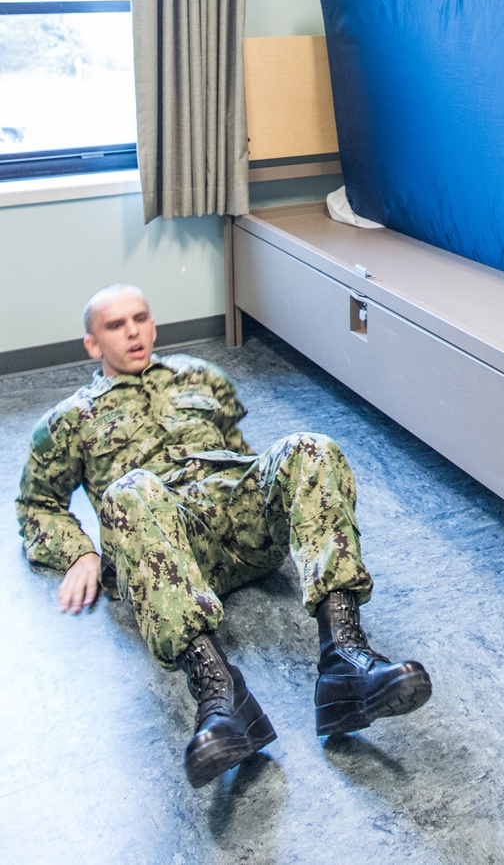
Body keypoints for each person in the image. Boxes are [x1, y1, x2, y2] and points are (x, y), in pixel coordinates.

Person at [16, 284, 432, 788]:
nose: (132, 331)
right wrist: (78, 551)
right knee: (130, 489)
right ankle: (221, 698)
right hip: (166, 548)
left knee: (311, 446)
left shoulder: (202, 376)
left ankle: (346, 659)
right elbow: (36, 504)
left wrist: (283, 494)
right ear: (91, 344)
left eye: (140, 318)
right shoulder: (68, 421)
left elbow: (243, 455)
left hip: (240, 526)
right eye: (115, 325)